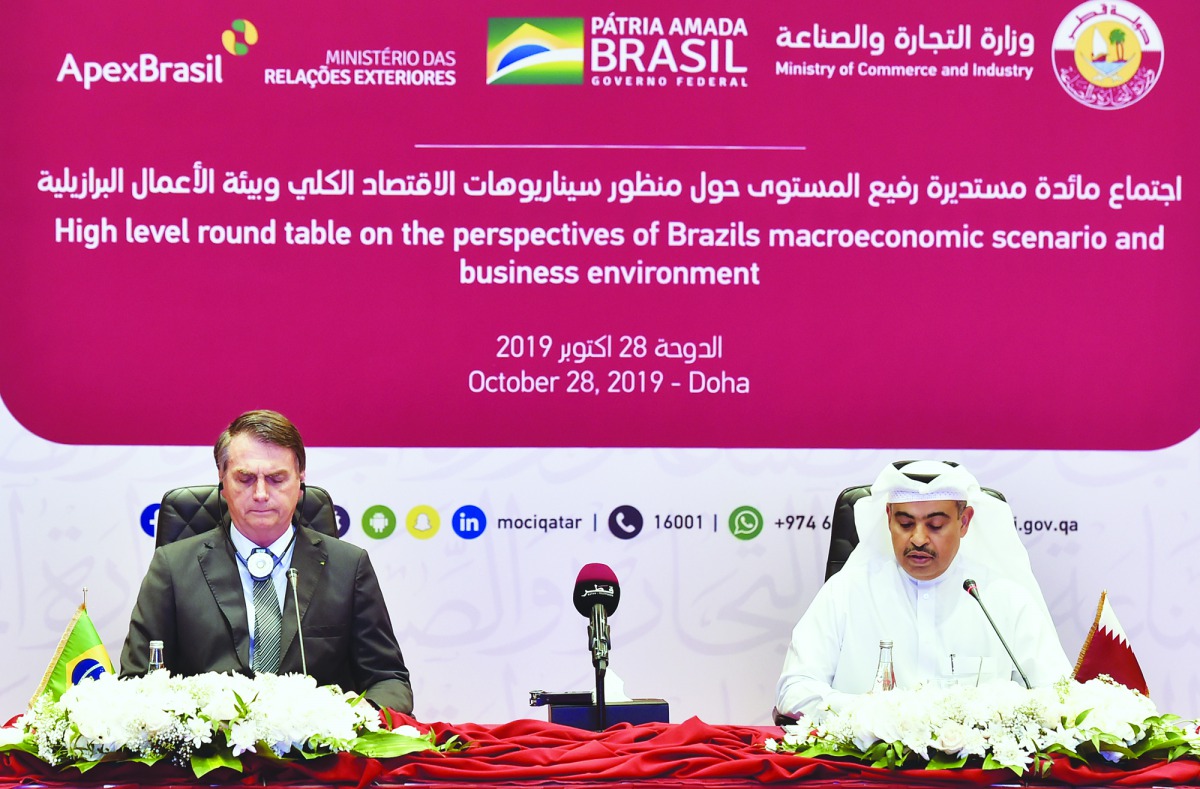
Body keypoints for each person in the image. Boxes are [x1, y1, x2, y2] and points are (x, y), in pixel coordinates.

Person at [121, 409, 413, 713]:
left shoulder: (348, 566)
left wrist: (349, 721)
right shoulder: (172, 567)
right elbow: (136, 681)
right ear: (222, 479)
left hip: (318, 755)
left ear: (300, 480)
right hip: (210, 754)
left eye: (276, 478)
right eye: (245, 478)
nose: (261, 493)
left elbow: (389, 680)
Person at [775, 460, 1070, 720]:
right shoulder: (846, 591)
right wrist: (875, 716)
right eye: (905, 523)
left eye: (936, 525)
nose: (918, 539)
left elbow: (1059, 697)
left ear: (964, 522)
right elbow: (794, 690)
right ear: (888, 518)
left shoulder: (1004, 599)